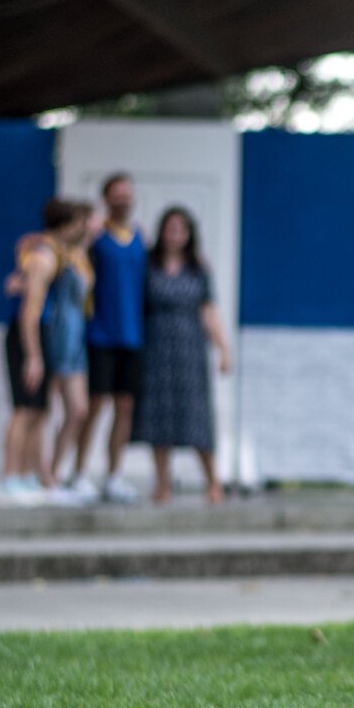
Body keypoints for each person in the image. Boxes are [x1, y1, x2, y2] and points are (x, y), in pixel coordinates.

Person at [132, 207, 231, 504]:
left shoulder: (198, 268)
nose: (175, 235)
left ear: (189, 235)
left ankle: (212, 481)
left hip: (189, 349)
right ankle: (163, 483)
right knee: (158, 416)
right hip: (156, 348)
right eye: (170, 229)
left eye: (181, 230)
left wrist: (223, 348)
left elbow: (209, 310)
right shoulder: (149, 266)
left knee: (196, 415)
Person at [0, 199, 77, 506]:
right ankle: (10, 476)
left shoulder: (51, 251)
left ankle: (27, 474)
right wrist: (33, 356)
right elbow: (29, 312)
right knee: (25, 409)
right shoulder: (43, 257)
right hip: (27, 336)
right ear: (67, 226)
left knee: (40, 411)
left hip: (41, 334)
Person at [72, 172, 146, 503]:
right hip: (101, 333)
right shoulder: (97, 239)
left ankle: (114, 475)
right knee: (95, 404)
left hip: (133, 336)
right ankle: (78, 472)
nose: (122, 199)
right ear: (106, 199)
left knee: (125, 406)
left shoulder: (140, 239)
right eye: (116, 194)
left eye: (127, 194)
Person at [44, 202, 97, 501]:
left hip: (78, 333)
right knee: (49, 406)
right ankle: (45, 475)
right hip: (61, 330)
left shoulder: (80, 254)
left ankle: (56, 469)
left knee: (78, 410)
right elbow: (33, 248)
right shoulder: (55, 249)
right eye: (81, 221)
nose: (87, 226)